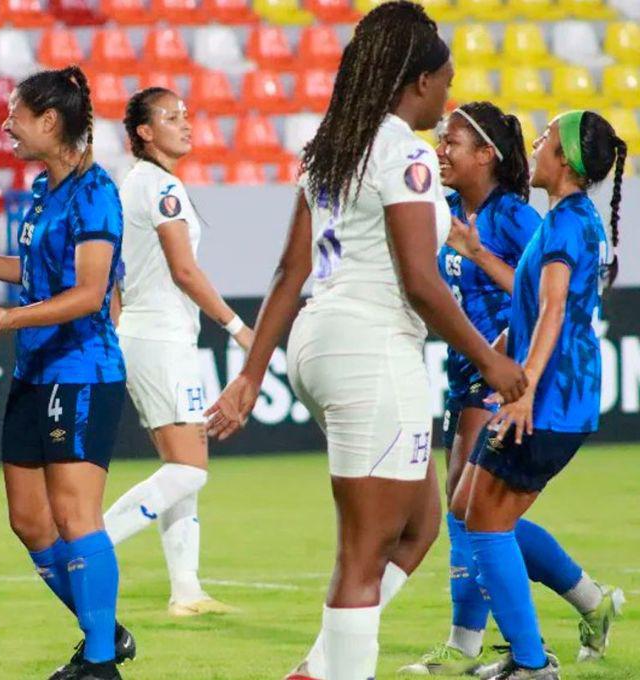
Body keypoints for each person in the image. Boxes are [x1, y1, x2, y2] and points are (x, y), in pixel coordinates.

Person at [203, 4, 526, 679]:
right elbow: (419, 281)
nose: (448, 95)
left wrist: (252, 375)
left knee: (419, 527)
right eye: (445, 81)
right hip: (372, 346)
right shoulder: (404, 150)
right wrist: (489, 359)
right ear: (417, 83)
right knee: (365, 548)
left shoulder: (336, 143)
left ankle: (320, 668)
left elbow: (291, 269)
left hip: (321, 341)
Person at [400, 103, 624, 675]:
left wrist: (520, 390)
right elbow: (529, 311)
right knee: (469, 511)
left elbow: (551, 312)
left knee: (484, 524)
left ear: (567, 158)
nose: (538, 141)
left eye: (548, 136)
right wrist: (498, 352)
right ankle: (574, 616)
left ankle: (527, 658)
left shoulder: (566, 223)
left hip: (547, 400)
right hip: (537, 391)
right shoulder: (564, 217)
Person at [0, 66, 131, 680]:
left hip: (83, 371)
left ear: (49, 121)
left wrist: (18, 318)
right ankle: (103, 629)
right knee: (28, 520)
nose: (5, 124)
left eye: (15, 114)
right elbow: (33, 271)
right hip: (37, 372)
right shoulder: (44, 190)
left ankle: (101, 661)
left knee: (75, 515)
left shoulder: (96, 193)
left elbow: (89, 293)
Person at [103, 86, 253, 617]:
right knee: (189, 469)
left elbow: (119, 273)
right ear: (144, 132)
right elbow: (183, 270)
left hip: (158, 336)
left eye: (186, 115)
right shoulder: (159, 186)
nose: (185, 124)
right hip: (161, 338)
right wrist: (239, 329)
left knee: (181, 467)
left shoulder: (137, 184)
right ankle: (87, 550)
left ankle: (186, 591)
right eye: (171, 117)